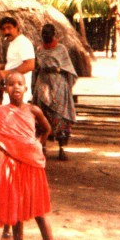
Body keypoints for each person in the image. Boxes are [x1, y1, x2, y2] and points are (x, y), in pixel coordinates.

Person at [0, 73, 62, 240]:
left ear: (26, 88)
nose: (15, 87)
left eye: (20, 84)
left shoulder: (33, 110)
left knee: (39, 214)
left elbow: (47, 129)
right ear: (5, 89)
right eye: (11, 84)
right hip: (11, 167)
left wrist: (37, 144)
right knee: (15, 215)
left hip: (32, 166)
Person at [33, 24, 77, 161]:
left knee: (60, 116)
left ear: (53, 34)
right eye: (43, 34)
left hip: (58, 86)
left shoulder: (61, 49)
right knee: (41, 117)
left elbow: (68, 68)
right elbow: (36, 68)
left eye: (48, 34)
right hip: (43, 86)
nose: (45, 36)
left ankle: (62, 149)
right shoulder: (39, 49)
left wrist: (55, 69)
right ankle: (42, 148)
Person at [0, 16, 35, 104]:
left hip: (18, 91)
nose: (6, 32)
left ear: (17, 27)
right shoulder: (13, 42)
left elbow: (30, 65)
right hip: (11, 90)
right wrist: (3, 66)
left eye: (9, 28)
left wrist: (7, 73)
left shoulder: (23, 42)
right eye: (3, 29)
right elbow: (16, 62)